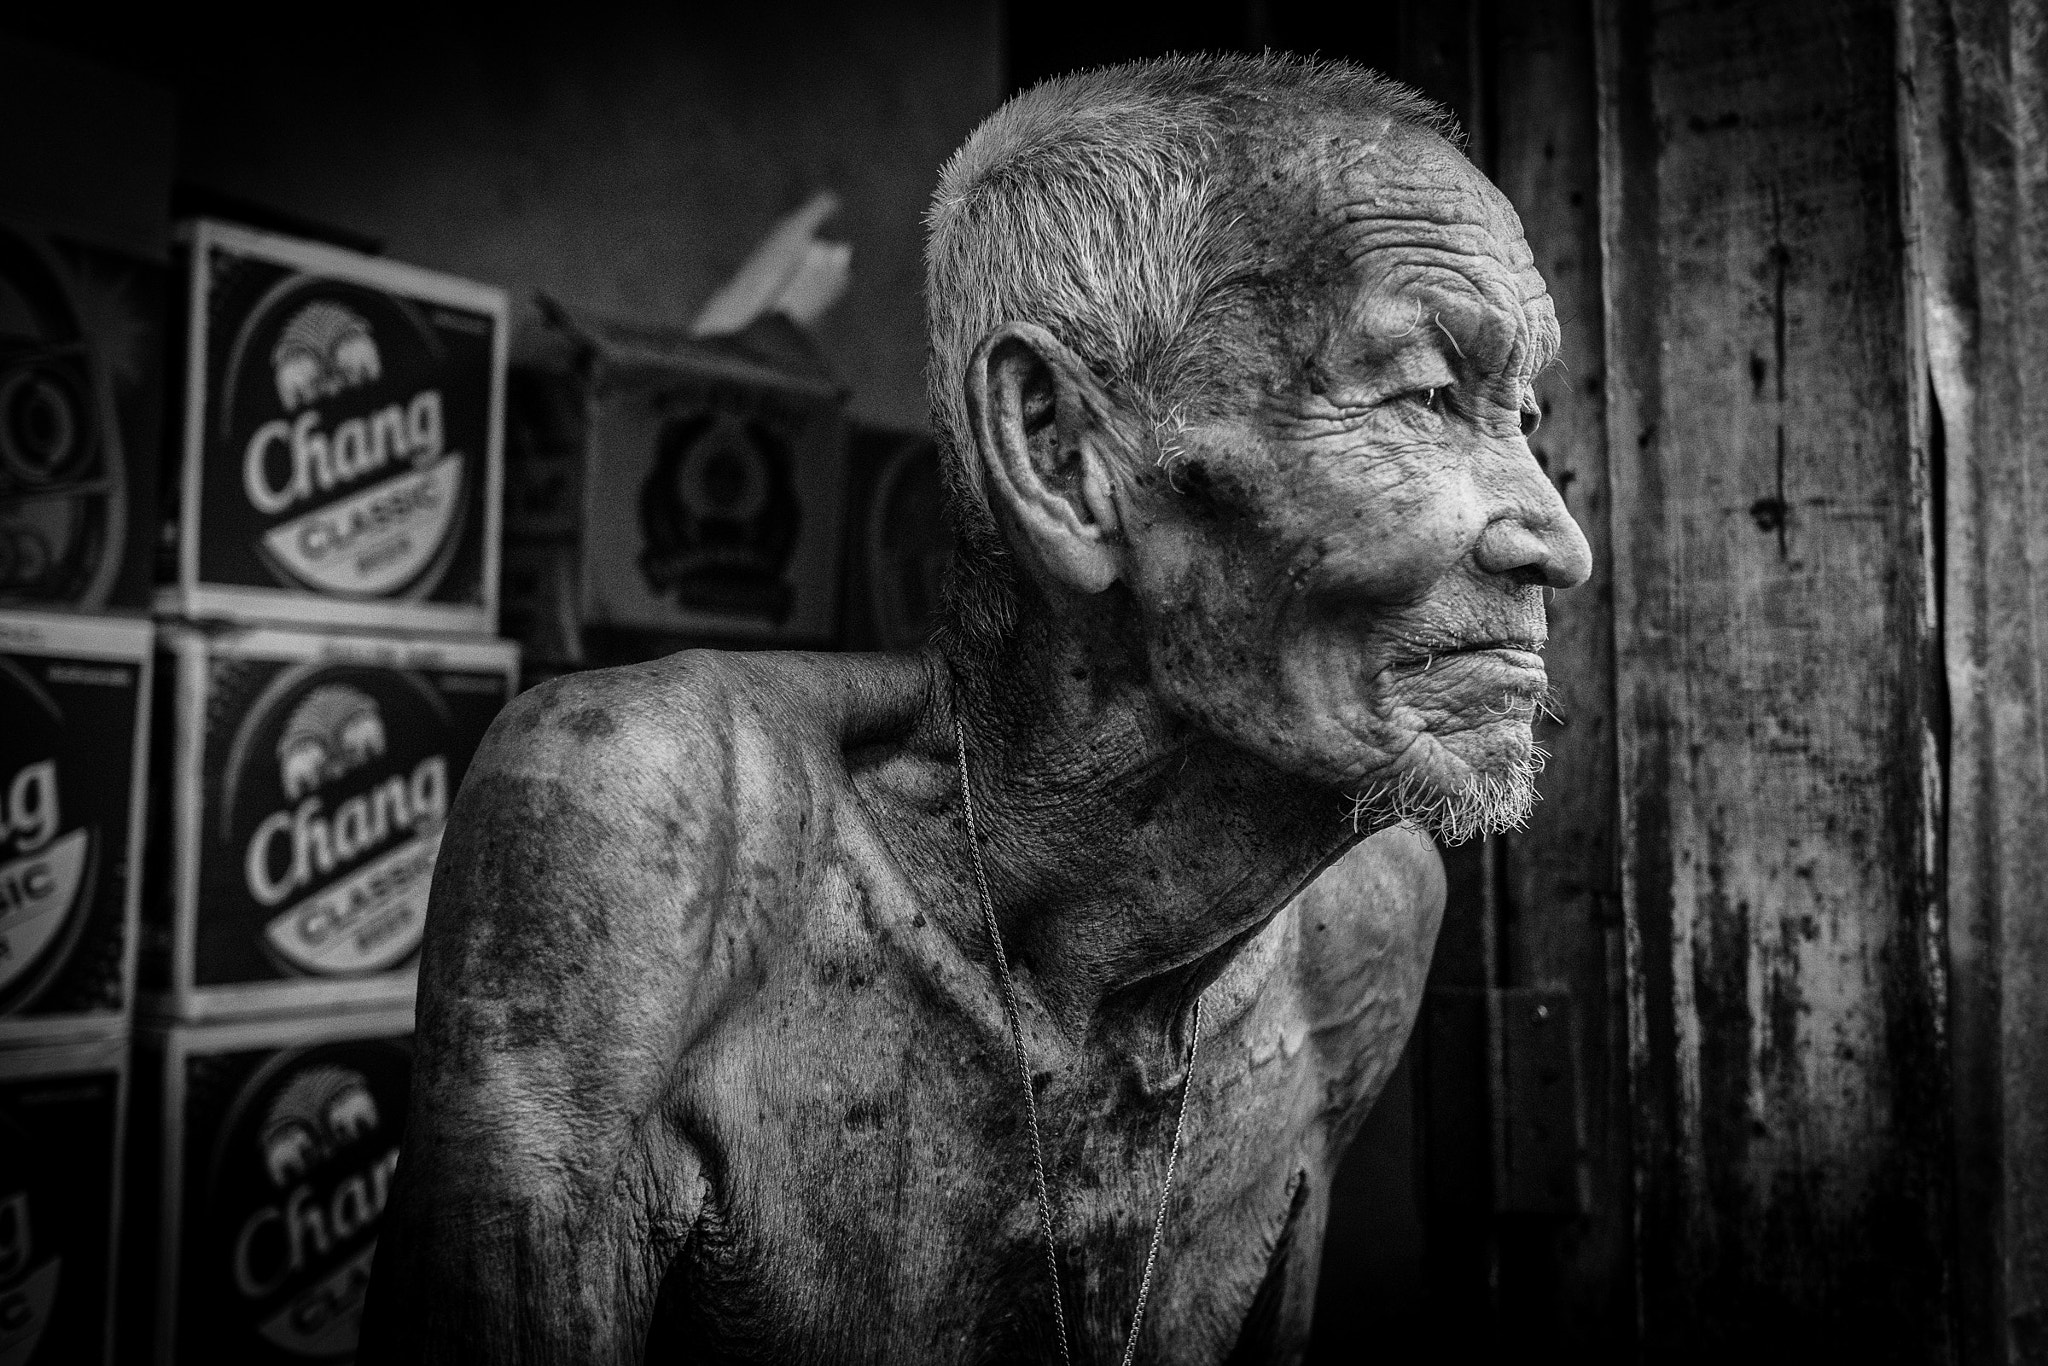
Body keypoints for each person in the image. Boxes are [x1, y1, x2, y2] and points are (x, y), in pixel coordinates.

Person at [361, 51, 1591, 1365]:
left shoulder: (1364, 914)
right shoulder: (658, 819)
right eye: (1423, 393)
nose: (1559, 540)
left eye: (1524, 415)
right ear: (1064, 454)